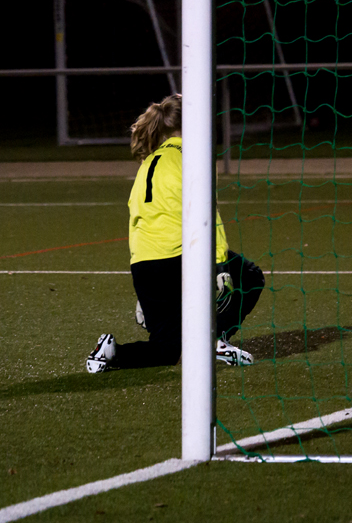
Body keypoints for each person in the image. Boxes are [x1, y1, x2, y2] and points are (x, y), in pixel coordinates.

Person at [86, 94, 264, 373]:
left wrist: (145, 287)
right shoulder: (194, 158)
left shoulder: (148, 162)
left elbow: (137, 218)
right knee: (250, 277)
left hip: (145, 264)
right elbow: (207, 215)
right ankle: (215, 341)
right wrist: (219, 265)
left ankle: (110, 353)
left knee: (167, 349)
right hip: (185, 255)